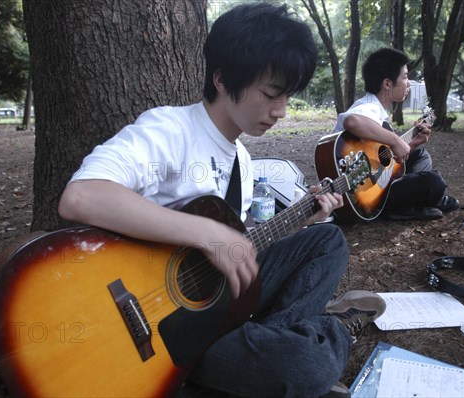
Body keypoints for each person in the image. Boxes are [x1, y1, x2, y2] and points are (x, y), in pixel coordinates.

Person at [59, 3, 385, 397]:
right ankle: (324, 334)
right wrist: (206, 233)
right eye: (270, 94)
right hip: (164, 331)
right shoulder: (169, 129)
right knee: (308, 366)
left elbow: (238, 244)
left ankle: (267, 347)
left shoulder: (242, 161)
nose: (280, 111)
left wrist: (301, 218)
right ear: (221, 78)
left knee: (328, 241)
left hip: (212, 304)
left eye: (287, 97)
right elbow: (81, 196)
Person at [332, 48, 459, 221]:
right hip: (361, 193)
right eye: (405, 76)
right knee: (433, 182)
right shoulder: (368, 107)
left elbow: (378, 157)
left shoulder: (377, 111)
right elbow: (352, 121)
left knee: (421, 156)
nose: (409, 83)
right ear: (387, 83)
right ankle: (415, 203)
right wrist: (394, 140)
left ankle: (410, 203)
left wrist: (412, 143)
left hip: (373, 180)